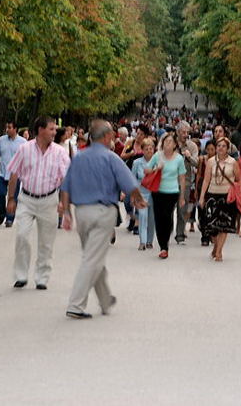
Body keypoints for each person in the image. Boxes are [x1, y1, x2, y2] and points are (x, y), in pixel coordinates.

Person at [60, 120, 147, 319]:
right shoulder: (111, 158)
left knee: (93, 256)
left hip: (81, 212)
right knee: (91, 258)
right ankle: (75, 304)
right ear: (106, 137)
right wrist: (139, 200)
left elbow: (65, 187)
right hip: (103, 212)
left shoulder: (79, 158)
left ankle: (105, 299)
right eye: (112, 136)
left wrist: (66, 212)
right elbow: (129, 183)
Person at [5, 116, 70, 289]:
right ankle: (21, 275)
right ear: (41, 130)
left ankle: (42, 277)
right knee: (22, 236)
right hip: (27, 199)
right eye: (51, 129)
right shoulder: (24, 149)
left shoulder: (59, 152)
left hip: (49, 199)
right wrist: (11, 198)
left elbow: (66, 180)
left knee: (46, 242)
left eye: (55, 129)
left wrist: (64, 204)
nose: (54, 132)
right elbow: (14, 174)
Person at [198, 137, 241, 260]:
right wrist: (202, 197)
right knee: (212, 226)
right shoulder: (211, 162)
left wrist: (240, 196)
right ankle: (216, 246)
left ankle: (218, 252)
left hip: (227, 197)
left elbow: (239, 180)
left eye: (223, 146)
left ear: (228, 148)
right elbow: (206, 180)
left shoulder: (233, 162)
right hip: (212, 196)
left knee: (224, 225)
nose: (220, 148)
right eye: (219, 146)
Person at [146, 132, 187, 259]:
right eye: (165, 141)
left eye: (170, 142)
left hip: (172, 192)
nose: (167, 144)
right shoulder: (157, 156)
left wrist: (182, 197)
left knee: (167, 217)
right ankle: (163, 246)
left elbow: (182, 179)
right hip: (157, 191)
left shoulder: (179, 158)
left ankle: (165, 243)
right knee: (158, 218)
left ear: (175, 144)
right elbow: (146, 170)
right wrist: (156, 168)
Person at [0, 122, 26, 226]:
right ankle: (2, 213)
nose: (7, 129)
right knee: (0, 194)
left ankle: (10, 218)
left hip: (15, 175)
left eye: (9, 127)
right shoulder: (1, 140)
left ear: (15, 129)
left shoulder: (23, 142)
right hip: (2, 173)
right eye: (7, 127)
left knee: (13, 197)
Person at [174, 121, 199, 245]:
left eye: (187, 132)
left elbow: (197, 163)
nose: (185, 135)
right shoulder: (171, 144)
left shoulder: (192, 146)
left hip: (186, 182)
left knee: (182, 209)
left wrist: (189, 157)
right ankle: (165, 233)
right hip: (170, 182)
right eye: (183, 132)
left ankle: (180, 235)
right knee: (168, 210)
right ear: (177, 132)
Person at [131, 138, 157, 250]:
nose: (149, 151)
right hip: (141, 194)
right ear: (142, 150)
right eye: (146, 149)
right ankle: (142, 241)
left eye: (151, 148)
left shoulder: (158, 163)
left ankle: (150, 241)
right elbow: (132, 179)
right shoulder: (137, 163)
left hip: (154, 194)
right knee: (142, 217)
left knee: (152, 219)